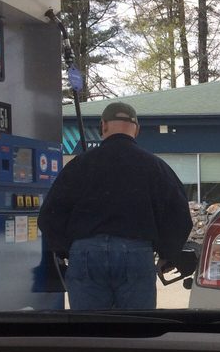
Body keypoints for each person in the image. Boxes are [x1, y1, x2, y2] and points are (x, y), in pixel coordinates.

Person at [38, 102, 193, 310]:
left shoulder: (79, 165)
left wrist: (68, 249)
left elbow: (49, 216)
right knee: (136, 324)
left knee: (89, 326)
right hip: (137, 253)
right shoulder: (155, 167)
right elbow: (179, 216)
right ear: (136, 130)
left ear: (103, 126)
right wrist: (168, 253)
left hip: (86, 253)